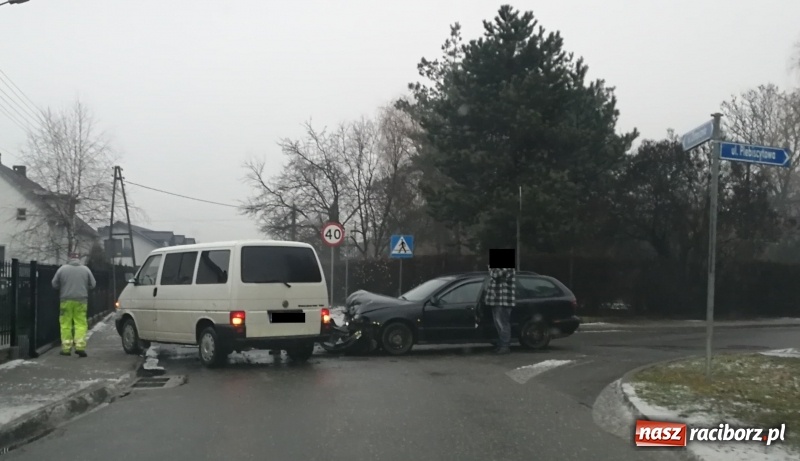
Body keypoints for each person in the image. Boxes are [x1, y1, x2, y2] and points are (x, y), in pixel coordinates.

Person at [52, 252, 96, 357]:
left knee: (65, 324)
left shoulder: (62, 269)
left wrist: (62, 287)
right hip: (81, 301)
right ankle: (80, 347)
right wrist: (85, 288)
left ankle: (66, 349)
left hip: (65, 300)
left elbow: (54, 284)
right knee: (80, 324)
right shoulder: (86, 269)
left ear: (69, 259)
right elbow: (93, 284)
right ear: (78, 259)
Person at [482, 265, 516, 354]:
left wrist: (491, 269)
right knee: (498, 324)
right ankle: (501, 345)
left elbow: (496, 275)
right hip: (496, 301)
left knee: (503, 324)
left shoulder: (508, 268)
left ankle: (505, 346)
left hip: (504, 301)